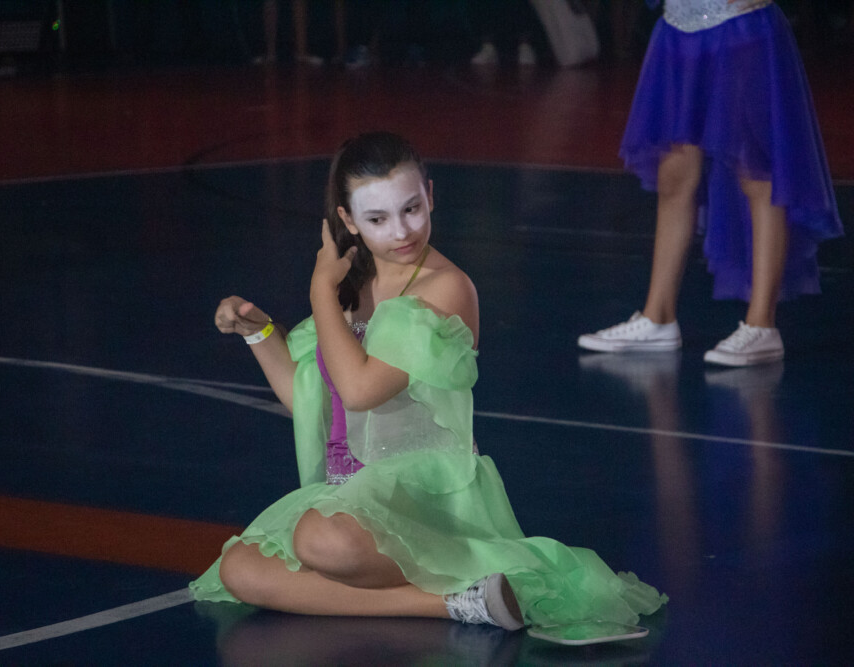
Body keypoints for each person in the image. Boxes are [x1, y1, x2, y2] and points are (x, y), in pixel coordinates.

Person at [190, 132, 667, 636]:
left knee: (319, 540)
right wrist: (259, 333)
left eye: (412, 209)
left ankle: (461, 571)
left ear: (431, 195)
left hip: (423, 496)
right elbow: (312, 402)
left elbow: (359, 391)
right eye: (377, 219)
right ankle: (454, 602)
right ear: (348, 220)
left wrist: (319, 292)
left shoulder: (445, 288)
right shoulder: (351, 287)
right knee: (240, 568)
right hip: (347, 497)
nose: (401, 231)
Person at [578, 0, 843, 366]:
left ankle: (762, 324)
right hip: (679, 30)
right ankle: (658, 316)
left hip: (742, 27)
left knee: (756, 170)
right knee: (674, 174)